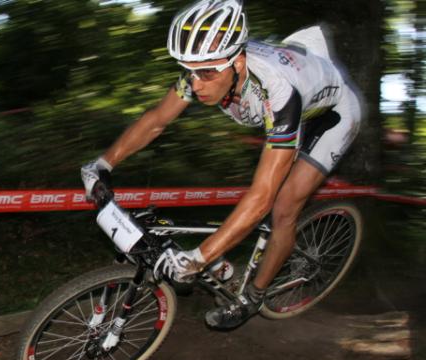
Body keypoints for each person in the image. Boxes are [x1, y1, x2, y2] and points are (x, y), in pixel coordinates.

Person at [81, 0, 362, 330]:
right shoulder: (206, 68)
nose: (196, 83)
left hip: (333, 115)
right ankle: (228, 267)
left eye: (206, 73)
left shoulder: (277, 90)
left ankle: (254, 296)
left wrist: (199, 259)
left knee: (283, 206)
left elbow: (262, 197)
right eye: (189, 71)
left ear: (238, 63)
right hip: (295, 96)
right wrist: (102, 164)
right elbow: (156, 120)